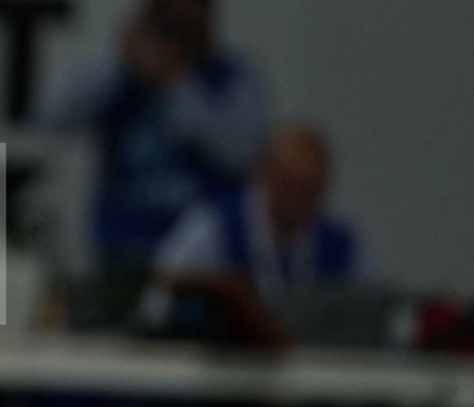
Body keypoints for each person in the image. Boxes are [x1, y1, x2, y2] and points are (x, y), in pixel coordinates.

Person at [46, 0, 267, 275]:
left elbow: (239, 152)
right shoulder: (120, 75)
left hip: (205, 256)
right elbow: (55, 114)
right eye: (166, 18)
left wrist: (173, 82)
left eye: (186, 22)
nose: (176, 31)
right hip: (121, 247)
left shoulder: (232, 79)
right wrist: (121, 60)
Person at [138, 123, 361, 348]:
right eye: (289, 183)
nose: (298, 196)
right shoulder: (214, 224)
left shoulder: (341, 242)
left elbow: (370, 309)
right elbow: (158, 296)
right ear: (263, 173)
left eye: (310, 187)